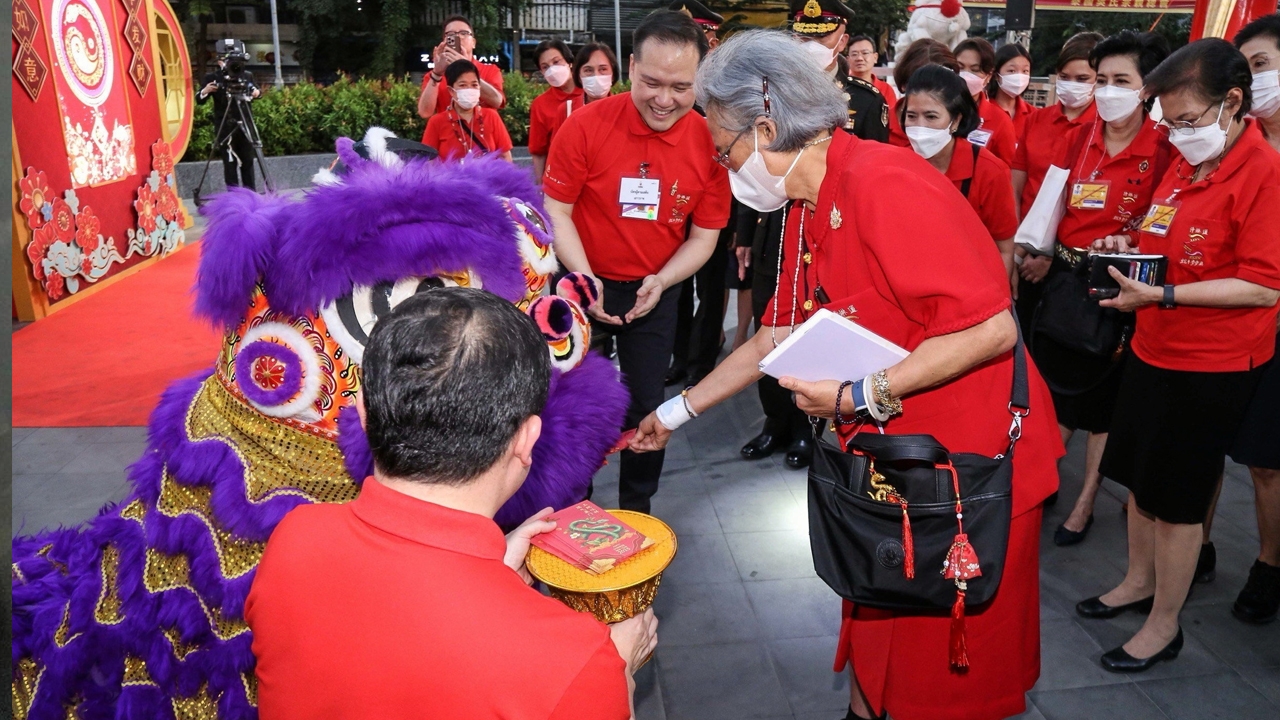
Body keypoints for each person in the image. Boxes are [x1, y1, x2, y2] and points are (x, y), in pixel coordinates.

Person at [632, 30, 1062, 720]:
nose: (723, 166)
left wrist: (860, 394)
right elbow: (774, 333)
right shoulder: (807, 203)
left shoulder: (882, 183)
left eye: (723, 149)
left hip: (965, 467)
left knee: (942, 669)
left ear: (765, 128)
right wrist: (675, 414)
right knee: (875, 618)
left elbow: (992, 330)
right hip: (896, 463)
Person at [245, 288, 659, 718]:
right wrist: (620, 673)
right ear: (527, 440)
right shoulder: (573, 661)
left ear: (363, 413)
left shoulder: (294, 536)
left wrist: (492, 576)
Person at [1078, 39, 1280, 672]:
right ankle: (1138, 582)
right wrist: (1128, 246)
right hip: (1153, 347)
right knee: (1140, 484)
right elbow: (1163, 232)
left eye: (1188, 119)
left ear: (1232, 102)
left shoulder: (1265, 174)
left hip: (1210, 365)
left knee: (1178, 501)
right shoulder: (1187, 161)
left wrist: (1163, 294)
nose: (1177, 133)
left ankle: (1165, 624)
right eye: (1169, 121)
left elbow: (1264, 285)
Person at [542, 10, 731, 513]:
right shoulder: (585, 126)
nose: (664, 100)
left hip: (655, 290)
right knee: (573, 403)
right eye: (651, 82)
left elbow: (704, 237)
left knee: (648, 404)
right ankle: (571, 507)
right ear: (630, 67)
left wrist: (663, 280)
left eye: (681, 87)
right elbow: (557, 210)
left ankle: (636, 510)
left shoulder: (711, 143)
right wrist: (584, 277)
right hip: (580, 284)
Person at [1019, 31, 1173, 548]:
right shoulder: (1079, 137)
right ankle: (1041, 479)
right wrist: (1040, 251)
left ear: (1148, 88)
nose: (1107, 91)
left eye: (1121, 81)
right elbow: (1054, 203)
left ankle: (1085, 501)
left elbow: (1168, 221)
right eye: (1101, 79)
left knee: (1105, 406)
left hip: (1121, 288)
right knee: (1053, 393)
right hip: (1064, 282)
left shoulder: (1166, 147)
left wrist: (1131, 238)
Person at [1224, 12, 1280, 624]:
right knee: (1243, 455)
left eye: (1262, 65)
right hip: (1233, 328)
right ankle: (1200, 545)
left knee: (1268, 459)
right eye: (1246, 69)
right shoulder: (1234, 143)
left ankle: (1270, 562)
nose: (1253, 80)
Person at [900, 65, 1017, 277]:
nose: (920, 126)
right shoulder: (896, 165)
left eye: (931, 117)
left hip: (971, 280)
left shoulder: (989, 171)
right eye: (912, 116)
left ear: (956, 120)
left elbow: (1003, 248)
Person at [1012, 32, 1102, 218]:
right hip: (1028, 228)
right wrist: (1016, 229)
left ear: (1099, 80)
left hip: (1077, 230)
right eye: (1064, 77)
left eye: (1082, 79)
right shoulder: (1036, 120)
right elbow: (1015, 186)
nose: (1071, 85)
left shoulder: (1106, 126)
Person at [791, 0, 890, 142]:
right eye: (804, 37)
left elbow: (876, 154)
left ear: (842, 42)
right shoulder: (773, 90)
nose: (812, 44)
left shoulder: (866, 100)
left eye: (822, 37)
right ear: (794, 38)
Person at [418, 14, 505, 130]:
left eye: (464, 33)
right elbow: (425, 113)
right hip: (448, 134)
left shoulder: (490, 70)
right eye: (451, 34)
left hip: (484, 134)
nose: (458, 37)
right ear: (444, 41)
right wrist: (436, 74)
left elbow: (497, 101)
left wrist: (467, 67)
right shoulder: (434, 75)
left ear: (473, 42)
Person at [197, 40, 261, 190]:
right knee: (230, 163)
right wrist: (205, 91)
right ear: (219, 61)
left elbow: (257, 92)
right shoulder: (213, 78)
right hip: (225, 125)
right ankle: (234, 196)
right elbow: (199, 100)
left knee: (248, 161)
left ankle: (250, 194)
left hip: (245, 123)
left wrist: (256, 92)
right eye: (226, 60)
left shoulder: (247, 76)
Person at [421, 60, 514, 163]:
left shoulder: (491, 116)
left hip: (489, 174)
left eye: (474, 85)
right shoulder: (436, 122)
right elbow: (428, 161)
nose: (469, 89)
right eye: (462, 85)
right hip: (449, 174)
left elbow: (505, 157)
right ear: (451, 91)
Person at [953, 37, 1018, 165]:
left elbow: (1005, 169)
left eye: (975, 70)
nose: (966, 75)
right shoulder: (935, 109)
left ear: (988, 76)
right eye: (960, 67)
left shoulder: (1000, 121)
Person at [528, 40, 585, 181]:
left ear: (569, 61)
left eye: (556, 62)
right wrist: (540, 187)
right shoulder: (540, 104)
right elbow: (539, 152)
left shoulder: (591, 93)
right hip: (560, 178)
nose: (552, 69)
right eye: (545, 67)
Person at [889, 39, 961, 148]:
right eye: (920, 83)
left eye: (938, 85)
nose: (929, 92)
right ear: (904, 84)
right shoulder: (879, 124)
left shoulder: (961, 127)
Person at [987, 43, 1036, 146]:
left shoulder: (1034, 115)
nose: (1019, 76)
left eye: (1025, 71)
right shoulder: (982, 111)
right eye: (1011, 70)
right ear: (996, 75)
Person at [847, 34, 897, 106]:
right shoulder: (841, 87)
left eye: (865, 53)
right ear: (848, 59)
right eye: (854, 54)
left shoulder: (886, 89)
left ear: (875, 57)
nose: (859, 58)